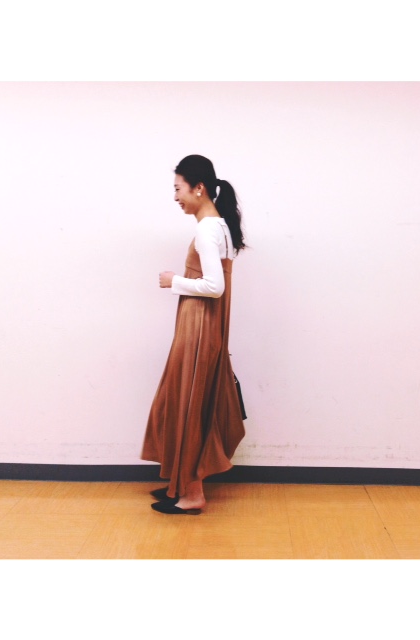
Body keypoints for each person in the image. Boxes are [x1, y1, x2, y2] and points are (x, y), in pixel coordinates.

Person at [141, 155, 247, 515]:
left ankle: (192, 493)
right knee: (189, 400)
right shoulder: (219, 227)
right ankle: (181, 483)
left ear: (198, 188)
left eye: (178, 188)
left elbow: (214, 287)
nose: (175, 197)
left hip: (198, 325)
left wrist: (174, 281)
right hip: (207, 324)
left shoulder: (207, 230)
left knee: (188, 402)